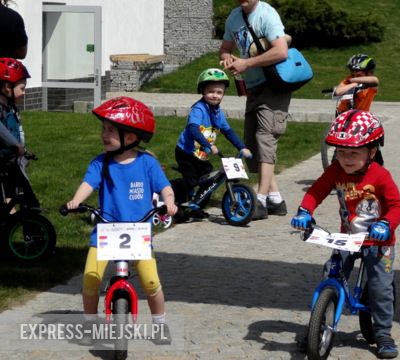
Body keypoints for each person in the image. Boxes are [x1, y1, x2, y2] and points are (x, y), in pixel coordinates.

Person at [291, 109, 400, 359]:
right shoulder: (335, 171)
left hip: (379, 240)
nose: (346, 159)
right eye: (341, 153)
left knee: (380, 287)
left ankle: (383, 333)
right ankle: (318, 325)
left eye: (354, 153)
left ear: (372, 152)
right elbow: (317, 191)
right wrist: (304, 211)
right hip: (348, 237)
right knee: (330, 272)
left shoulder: (380, 176)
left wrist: (386, 223)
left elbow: (398, 206)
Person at [65, 96, 178, 345]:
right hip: (106, 232)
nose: (104, 134)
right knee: (91, 278)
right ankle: (89, 323)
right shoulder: (100, 163)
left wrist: (169, 202)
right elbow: (88, 184)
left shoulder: (147, 163)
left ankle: (160, 324)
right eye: (103, 129)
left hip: (138, 234)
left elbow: (165, 187)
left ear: (130, 137)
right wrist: (76, 200)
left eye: (110, 130)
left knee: (151, 281)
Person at [219, 0, 291, 220]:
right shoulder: (234, 17)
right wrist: (228, 58)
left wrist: (247, 63)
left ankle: (259, 200)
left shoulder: (267, 15)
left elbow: (281, 51)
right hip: (252, 87)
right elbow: (224, 49)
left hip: (274, 84)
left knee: (265, 137)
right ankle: (276, 199)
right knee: (251, 141)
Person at [175, 68, 251, 216]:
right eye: (211, 92)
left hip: (202, 154)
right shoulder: (199, 109)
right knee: (192, 181)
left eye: (219, 92)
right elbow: (193, 129)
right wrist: (207, 145)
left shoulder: (218, 112)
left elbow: (228, 131)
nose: (215, 96)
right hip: (186, 152)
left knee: (209, 181)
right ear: (202, 91)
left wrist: (242, 147)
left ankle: (197, 208)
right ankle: (180, 202)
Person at [0, 57, 38, 208]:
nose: (24, 93)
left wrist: (22, 148)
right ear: (6, 87)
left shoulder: (10, 107)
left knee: (27, 201)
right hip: (3, 164)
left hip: (12, 162)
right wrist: (15, 144)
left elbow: (18, 130)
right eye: (22, 89)